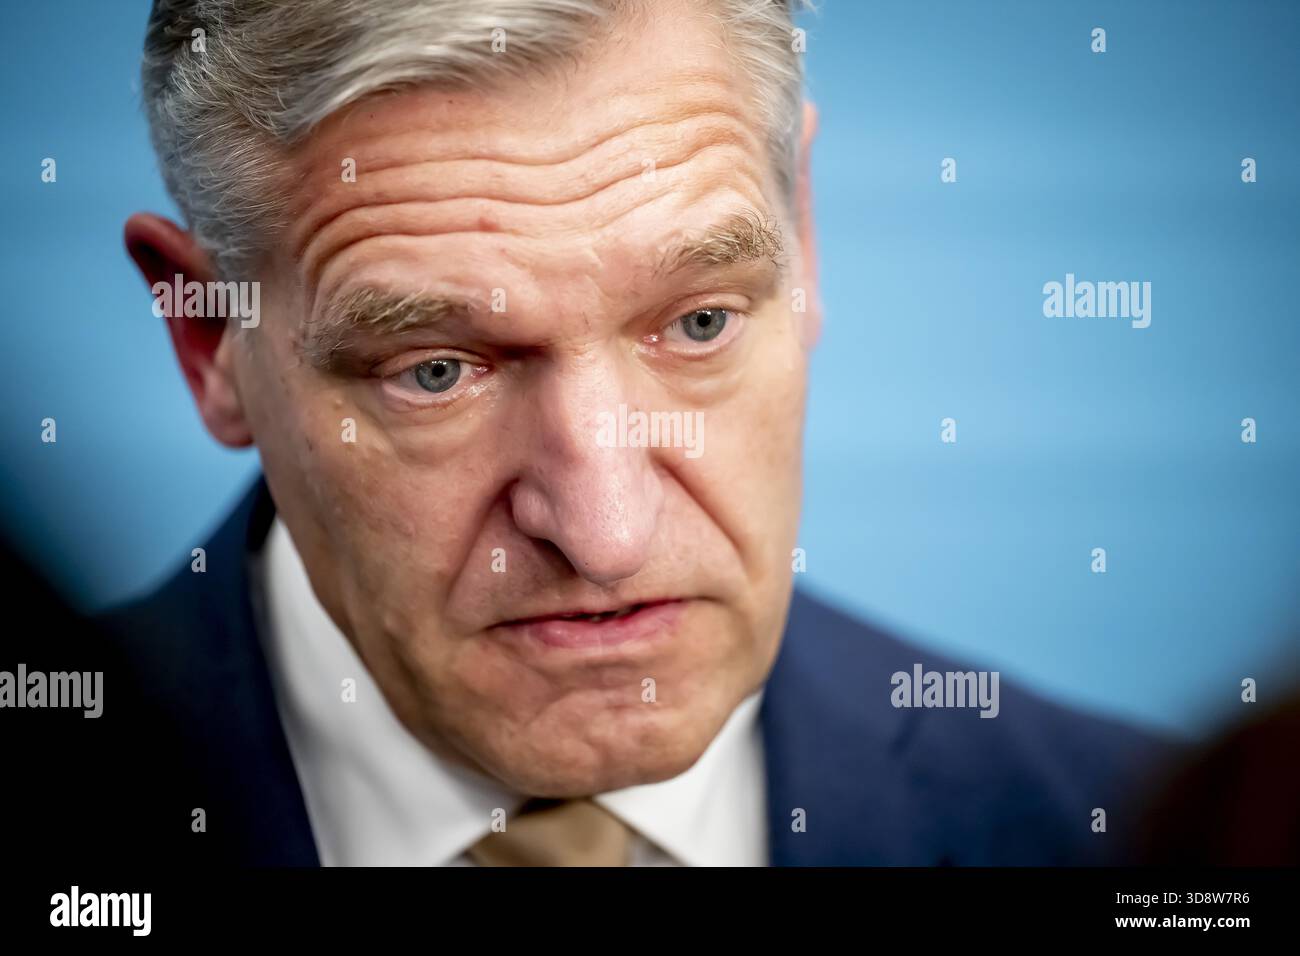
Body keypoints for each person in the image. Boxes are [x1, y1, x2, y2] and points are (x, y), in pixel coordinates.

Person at [109, 0, 1171, 866]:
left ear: (800, 235)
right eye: (434, 371)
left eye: (697, 321)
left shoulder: (1142, 836)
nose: (605, 532)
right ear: (213, 344)